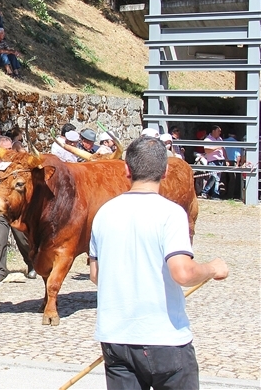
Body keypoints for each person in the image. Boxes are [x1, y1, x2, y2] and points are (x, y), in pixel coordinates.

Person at [89, 136, 229, 390]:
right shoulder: (171, 213)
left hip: (116, 339)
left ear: (127, 170)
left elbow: (96, 274)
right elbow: (183, 273)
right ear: (165, 172)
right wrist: (212, 269)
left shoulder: (103, 213)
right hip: (164, 338)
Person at [0, 136, 35, 283]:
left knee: (22, 238)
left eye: (10, 149)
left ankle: (32, 264)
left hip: (15, 208)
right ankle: (0, 270)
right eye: (5, 149)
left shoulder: (19, 167)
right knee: (0, 239)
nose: (9, 152)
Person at [200, 125, 226, 200]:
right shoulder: (207, 140)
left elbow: (223, 149)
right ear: (213, 131)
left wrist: (226, 159)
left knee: (218, 179)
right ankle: (204, 192)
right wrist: (217, 147)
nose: (220, 133)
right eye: (218, 131)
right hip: (212, 161)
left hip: (220, 160)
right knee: (213, 177)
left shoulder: (220, 139)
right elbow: (207, 150)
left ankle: (215, 195)